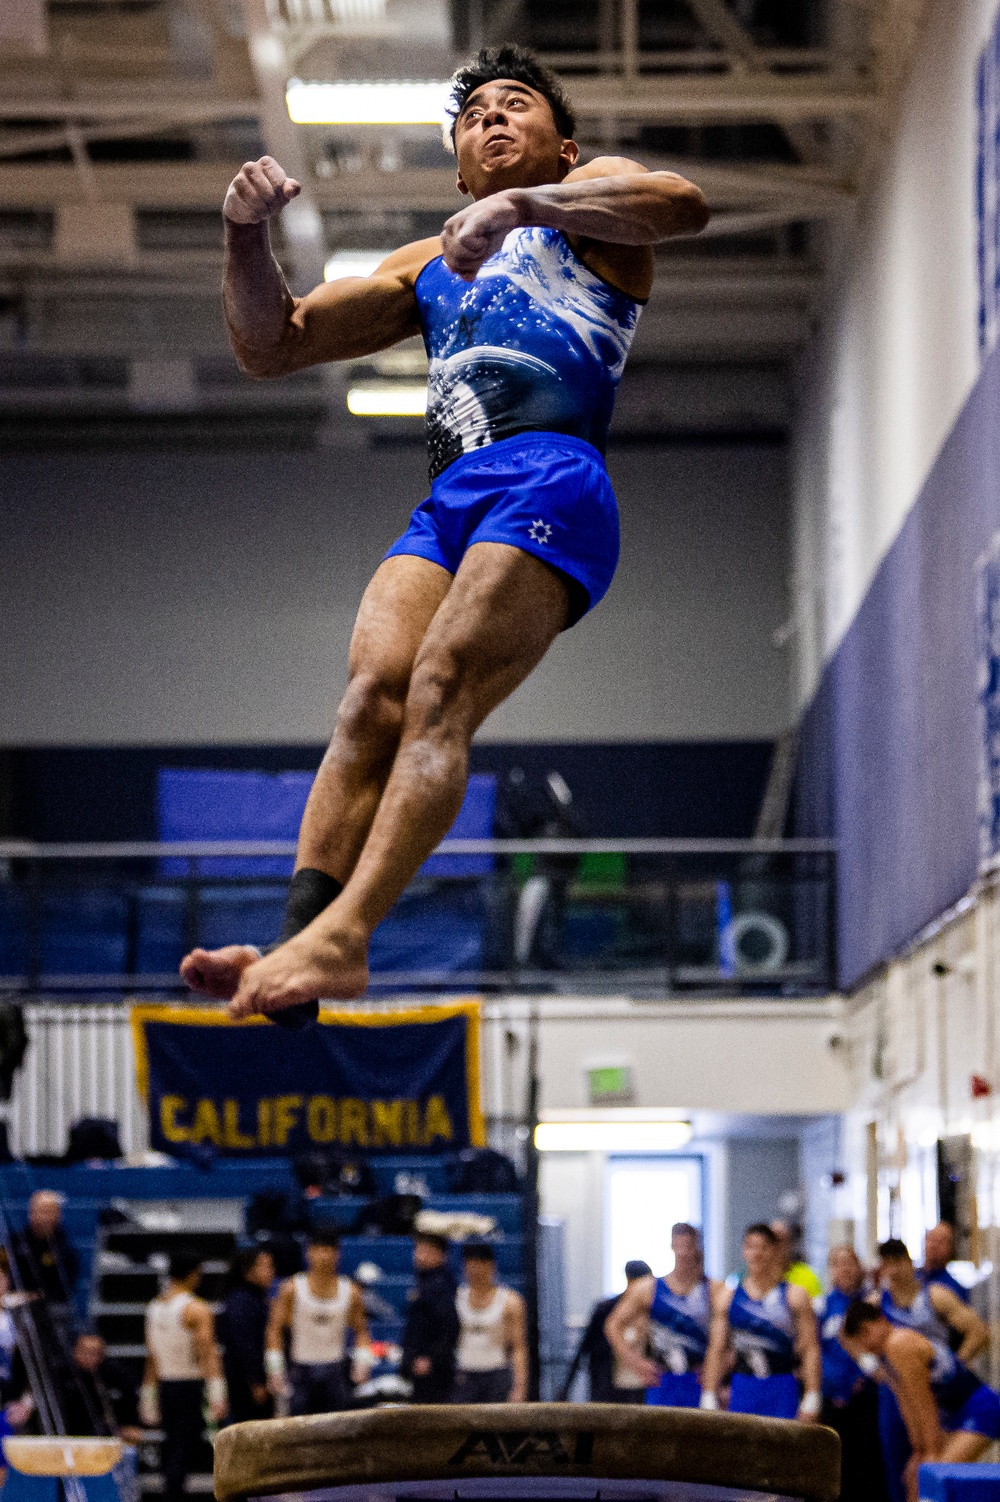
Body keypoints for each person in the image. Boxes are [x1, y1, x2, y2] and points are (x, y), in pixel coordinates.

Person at [178, 43, 709, 1027]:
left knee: (438, 686)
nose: (492, 119)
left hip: (553, 474)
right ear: (458, 167)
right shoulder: (426, 266)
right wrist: (243, 235)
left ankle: (345, 939)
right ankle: (302, 936)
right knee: (370, 697)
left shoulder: (587, 202)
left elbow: (681, 203)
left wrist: (524, 209)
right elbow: (272, 343)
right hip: (453, 497)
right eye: (473, 118)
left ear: (563, 146)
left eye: (516, 107)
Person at [843, 1300, 1000, 1502]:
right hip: (959, 1414)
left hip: (982, 1408)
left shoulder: (899, 1344)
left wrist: (931, 1452)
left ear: (870, 1327)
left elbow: (924, 1405)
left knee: (935, 1477)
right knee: (914, 1479)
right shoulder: (886, 1357)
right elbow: (908, 1408)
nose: (865, 1348)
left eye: (862, 1339)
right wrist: (918, 1451)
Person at [700, 1222, 821, 1421]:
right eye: (750, 1247)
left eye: (763, 1248)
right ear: (743, 1252)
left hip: (781, 1386)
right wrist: (709, 1393)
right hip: (743, 1388)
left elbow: (810, 1348)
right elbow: (717, 1348)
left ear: (774, 1251)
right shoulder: (728, 1297)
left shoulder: (795, 1295)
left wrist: (812, 1395)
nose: (756, 1254)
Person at [606, 1225, 723, 1408]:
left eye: (689, 1246)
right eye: (680, 1246)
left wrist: (719, 1367)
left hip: (701, 1381)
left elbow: (731, 1334)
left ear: (698, 1248)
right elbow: (613, 1325)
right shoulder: (649, 1288)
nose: (684, 1253)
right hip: (662, 1382)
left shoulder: (715, 1290)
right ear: (672, 1247)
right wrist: (635, 1362)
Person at [141, 1250, 227, 1502]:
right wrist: (217, 1392)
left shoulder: (154, 1307)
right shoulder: (196, 1309)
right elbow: (208, 1353)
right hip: (190, 1385)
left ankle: (171, 1490)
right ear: (193, 1274)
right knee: (183, 1448)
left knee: (173, 1445)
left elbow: (152, 1356)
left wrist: (148, 1394)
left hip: (166, 1384)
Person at [265, 1230, 370, 1415]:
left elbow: (361, 1331)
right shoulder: (292, 1289)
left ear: (337, 1254)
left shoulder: (351, 1292)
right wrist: (275, 1367)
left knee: (337, 1430)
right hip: (301, 1372)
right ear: (308, 1253)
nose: (324, 1257)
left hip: (335, 1371)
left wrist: (362, 1361)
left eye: (329, 1251)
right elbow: (274, 1330)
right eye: (318, 1250)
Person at [815, 1245, 887, 1502]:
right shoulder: (823, 1306)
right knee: (833, 1473)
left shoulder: (874, 1304)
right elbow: (814, 1351)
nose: (844, 1269)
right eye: (837, 1264)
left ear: (859, 1267)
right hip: (832, 1402)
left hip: (867, 1400)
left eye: (849, 1263)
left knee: (868, 1471)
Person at [560, 1260, 651, 1403]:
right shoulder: (605, 1309)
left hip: (637, 1385)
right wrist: (566, 1388)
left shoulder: (650, 1311)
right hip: (605, 1382)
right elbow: (584, 1345)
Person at [452, 1241, 528, 1403]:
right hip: (464, 1375)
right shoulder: (456, 1298)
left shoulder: (510, 1301)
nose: (474, 1270)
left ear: (491, 1266)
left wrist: (519, 1387)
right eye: (470, 1265)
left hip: (496, 1374)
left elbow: (518, 1347)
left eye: (479, 1264)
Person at [217, 1247, 275, 1424]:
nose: (271, 1272)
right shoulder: (241, 1301)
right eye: (265, 1266)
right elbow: (244, 1343)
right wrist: (255, 1381)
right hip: (245, 1382)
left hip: (256, 1377)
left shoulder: (257, 1299)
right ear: (248, 1271)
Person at [402, 1232, 460, 1403]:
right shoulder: (423, 1283)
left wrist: (431, 1359)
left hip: (433, 1371)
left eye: (426, 1251)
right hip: (420, 1365)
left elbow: (450, 1327)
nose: (419, 1256)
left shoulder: (441, 1286)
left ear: (441, 1256)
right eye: (418, 1250)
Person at [59, 1332, 142, 1442]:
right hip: (70, 1432)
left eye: (95, 1353)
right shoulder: (62, 1374)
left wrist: (130, 1424)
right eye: (85, 1352)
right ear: (75, 1352)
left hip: (105, 1432)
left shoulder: (113, 1373)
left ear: (102, 1355)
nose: (89, 1357)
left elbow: (130, 1398)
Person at [12, 1190, 79, 1305]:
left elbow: (65, 1288)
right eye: (37, 1211)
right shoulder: (15, 1241)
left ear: (58, 1215)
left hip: (51, 1306)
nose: (42, 1217)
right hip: (15, 1302)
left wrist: (36, 1296)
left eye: (47, 1212)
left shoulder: (64, 1249)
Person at [771, 1219, 823, 1299]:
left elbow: (817, 1309)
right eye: (772, 1241)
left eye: (781, 1241)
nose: (777, 1246)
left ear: (790, 1244)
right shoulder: (757, 1277)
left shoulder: (808, 1276)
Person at [920, 1223, 969, 1303]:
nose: (934, 1245)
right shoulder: (911, 1279)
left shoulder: (954, 1290)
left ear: (951, 1248)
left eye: (941, 1241)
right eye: (931, 1238)